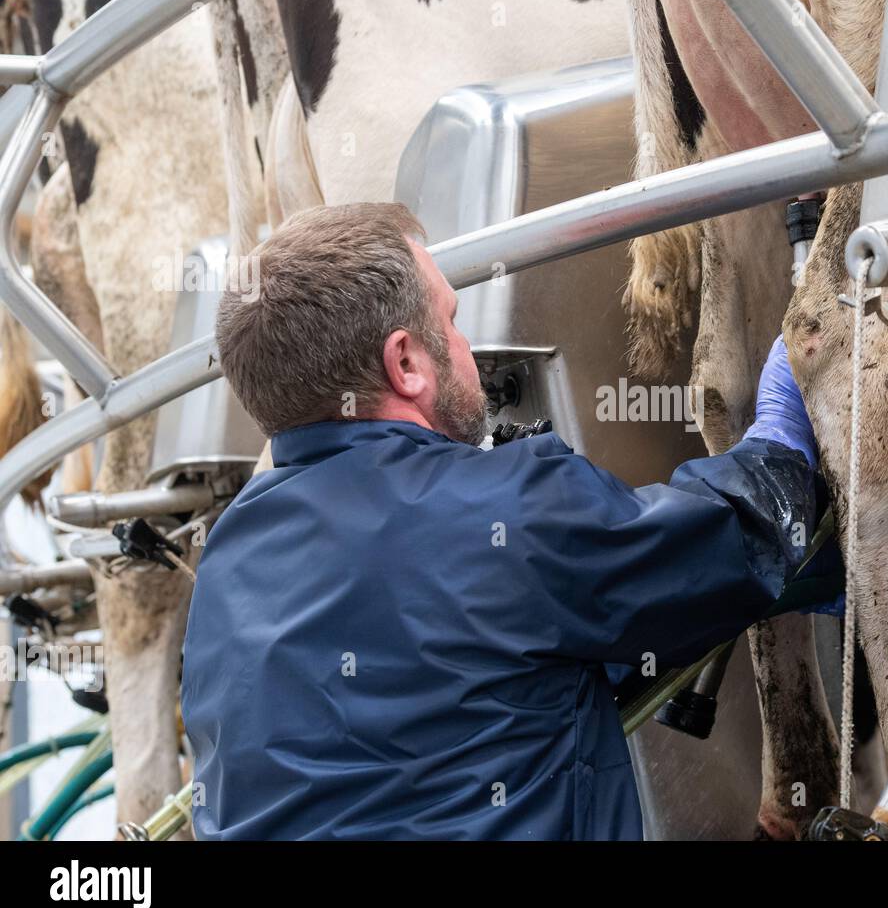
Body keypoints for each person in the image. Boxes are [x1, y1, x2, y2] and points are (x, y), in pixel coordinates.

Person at [181, 202, 823, 839]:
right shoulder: (509, 506)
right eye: (452, 322)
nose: (463, 347)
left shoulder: (224, 562)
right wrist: (780, 437)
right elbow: (735, 537)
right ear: (405, 363)